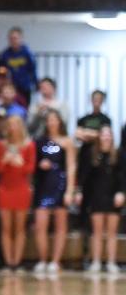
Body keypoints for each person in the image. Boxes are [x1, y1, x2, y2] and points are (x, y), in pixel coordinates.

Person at [32, 110, 75, 274]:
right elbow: (33, 163)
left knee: (60, 226)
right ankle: (42, 259)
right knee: (40, 224)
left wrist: (69, 191)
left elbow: (71, 167)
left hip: (60, 183)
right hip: (43, 184)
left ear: (60, 122)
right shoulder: (39, 141)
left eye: (54, 119)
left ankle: (55, 261)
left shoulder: (67, 142)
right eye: (49, 120)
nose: (51, 122)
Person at [75, 126, 122, 274]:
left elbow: (123, 177)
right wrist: (80, 191)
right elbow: (85, 177)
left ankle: (111, 262)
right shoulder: (92, 155)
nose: (106, 137)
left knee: (112, 232)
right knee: (97, 231)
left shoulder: (119, 155)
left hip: (113, 196)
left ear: (112, 137)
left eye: (109, 135)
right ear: (99, 137)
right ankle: (95, 261)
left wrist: (122, 193)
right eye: (103, 135)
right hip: (97, 196)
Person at [0, 115, 36, 272]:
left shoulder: (29, 145)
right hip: (5, 188)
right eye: (10, 124)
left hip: (21, 188)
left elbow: (31, 169)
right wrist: (5, 160)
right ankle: (8, 262)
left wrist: (20, 163)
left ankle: (17, 262)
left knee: (19, 227)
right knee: (5, 227)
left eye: (16, 124)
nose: (13, 127)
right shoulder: (1, 145)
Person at [0, 27, 37, 105]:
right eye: (11, 38)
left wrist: (35, 84)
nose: (13, 41)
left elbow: (33, 70)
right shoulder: (5, 54)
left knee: (24, 106)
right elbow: (1, 71)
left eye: (15, 38)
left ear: (21, 38)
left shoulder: (27, 53)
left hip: (25, 87)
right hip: (10, 87)